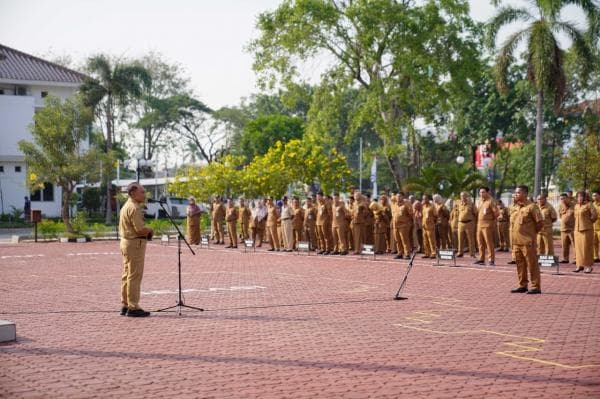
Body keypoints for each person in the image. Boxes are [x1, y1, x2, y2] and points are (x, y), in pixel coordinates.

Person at [119, 182, 154, 317]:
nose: (144, 194)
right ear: (133, 193)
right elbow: (139, 230)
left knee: (127, 274)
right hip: (134, 244)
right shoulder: (134, 208)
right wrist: (150, 230)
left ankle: (126, 304)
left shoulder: (126, 206)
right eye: (142, 192)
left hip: (126, 242)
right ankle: (133, 307)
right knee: (134, 275)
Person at [510, 185, 543, 294]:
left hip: (527, 242)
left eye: (518, 193)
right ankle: (522, 285)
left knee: (532, 264)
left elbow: (540, 223)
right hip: (516, 242)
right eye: (515, 193)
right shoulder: (515, 207)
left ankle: (535, 286)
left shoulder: (532, 207)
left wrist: (531, 234)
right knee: (520, 265)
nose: (516, 194)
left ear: (525, 194)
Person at [573, 191, 598, 273]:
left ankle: (588, 266)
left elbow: (594, 215)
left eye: (581, 196)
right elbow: (575, 217)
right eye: (578, 197)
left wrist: (589, 222)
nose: (579, 198)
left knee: (586, 248)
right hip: (577, 230)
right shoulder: (576, 206)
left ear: (585, 197)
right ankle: (579, 265)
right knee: (578, 249)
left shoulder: (589, 205)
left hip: (587, 229)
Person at [475, 187, 499, 266]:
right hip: (479, 224)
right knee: (480, 242)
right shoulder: (480, 201)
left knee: (489, 243)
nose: (481, 194)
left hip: (487, 225)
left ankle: (491, 259)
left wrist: (492, 222)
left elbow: (496, 213)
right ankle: (481, 258)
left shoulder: (491, 201)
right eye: (480, 192)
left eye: (483, 192)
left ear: (488, 193)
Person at [392, 192, 413, 259]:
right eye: (397, 196)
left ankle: (407, 254)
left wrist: (409, 223)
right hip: (395, 225)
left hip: (403, 225)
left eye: (400, 196)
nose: (398, 198)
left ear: (403, 197)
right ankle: (400, 253)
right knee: (397, 240)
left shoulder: (406, 204)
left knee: (405, 240)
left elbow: (411, 214)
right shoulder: (394, 205)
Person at [457, 192, 477, 258]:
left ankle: (472, 253)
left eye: (464, 196)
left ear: (467, 196)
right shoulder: (459, 204)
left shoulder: (471, 204)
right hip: (460, 223)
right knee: (460, 239)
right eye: (461, 196)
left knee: (470, 239)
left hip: (469, 223)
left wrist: (474, 222)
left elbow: (476, 213)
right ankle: (460, 252)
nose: (463, 197)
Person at [558, 193, 575, 263]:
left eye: (564, 198)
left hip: (572, 228)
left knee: (575, 245)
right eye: (561, 199)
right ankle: (565, 259)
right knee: (564, 245)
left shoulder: (574, 205)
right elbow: (560, 216)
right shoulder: (560, 206)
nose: (562, 200)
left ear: (568, 198)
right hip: (563, 229)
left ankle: (576, 259)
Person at [421, 194, 438, 258]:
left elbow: (436, 215)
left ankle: (433, 253)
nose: (424, 200)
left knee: (431, 240)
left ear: (428, 199)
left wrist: (433, 222)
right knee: (425, 240)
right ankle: (427, 253)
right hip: (424, 226)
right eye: (423, 199)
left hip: (430, 225)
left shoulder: (432, 206)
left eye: (425, 198)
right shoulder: (423, 206)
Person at [593, 190, 600, 263]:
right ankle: (596, 257)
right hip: (594, 227)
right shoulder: (592, 205)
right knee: (594, 243)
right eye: (593, 196)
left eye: (595, 195)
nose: (594, 197)